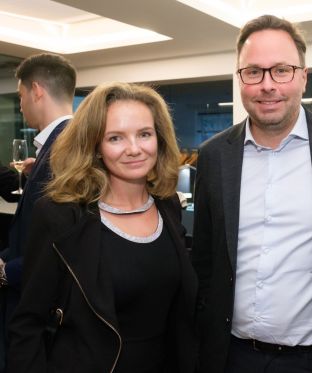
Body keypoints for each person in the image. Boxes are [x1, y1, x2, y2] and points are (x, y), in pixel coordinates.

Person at [192, 14, 312, 373]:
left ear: (303, 76)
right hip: (231, 356)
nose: (267, 85)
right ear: (241, 78)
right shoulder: (214, 155)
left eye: (281, 70)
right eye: (254, 72)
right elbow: (204, 258)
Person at [7, 82, 198, 372]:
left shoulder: (168, 205)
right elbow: (28, 323)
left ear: (159, 138)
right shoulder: (61, 215)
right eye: (115, 138)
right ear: (94, 146)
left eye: (144, 134)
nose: (134, 149)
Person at [0, 53, 76, 372]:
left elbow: (63, 239)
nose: (20, 106)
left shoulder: (64, 150)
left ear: (36, 90)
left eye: (19, 97)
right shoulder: (60, 145)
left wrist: (7, 271)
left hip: (38, 303)